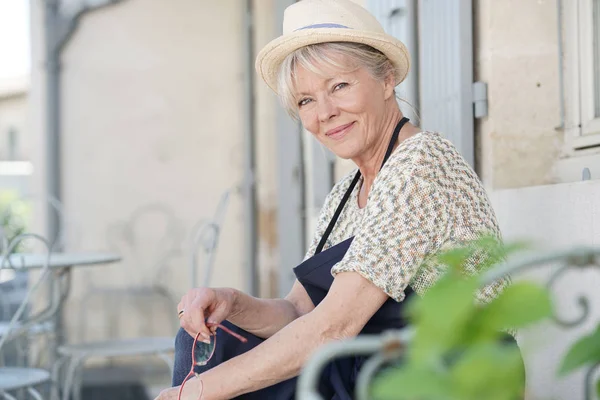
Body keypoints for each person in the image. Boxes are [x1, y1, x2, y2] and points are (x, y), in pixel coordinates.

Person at [155, 1, 514, 399]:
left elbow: (332, 327)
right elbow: (299, 312)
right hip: (371, 363)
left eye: (339, 86)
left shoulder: (420, 164)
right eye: (306, 101)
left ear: (386, 79)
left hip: (446, 374)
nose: (325, 112)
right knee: (214, 336)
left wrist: (196, 392)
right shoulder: (345, 195)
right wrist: (231, 303)